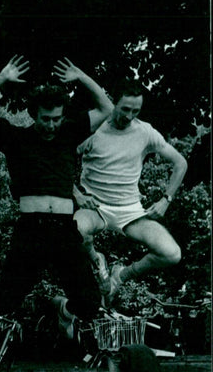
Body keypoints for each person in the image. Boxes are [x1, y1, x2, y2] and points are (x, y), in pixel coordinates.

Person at [0, 56, 114, 339]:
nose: (52, 125)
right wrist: (1, 77)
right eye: (46, 119)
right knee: (7, 300)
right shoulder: (16, 138)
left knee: (89, 302)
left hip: (63, 228)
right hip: (31, 230)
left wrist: (81, 75)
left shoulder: (69, 132)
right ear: (34, 115)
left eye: (57, 119)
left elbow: (106, 107)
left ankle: (64, 313)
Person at [73, 80, 187, 305]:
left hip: (131, 210)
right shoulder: (92, 129)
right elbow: (58, 161)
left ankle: (121, 275)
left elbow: (180, 162)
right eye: (125, 109)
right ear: (113, 103)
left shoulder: (145, 131)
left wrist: (167, 199)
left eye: (136, 111)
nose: (129, 115)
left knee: (172, 254)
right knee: (75, 232)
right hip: (96, 207)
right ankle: (98, 261)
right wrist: (76, 193)